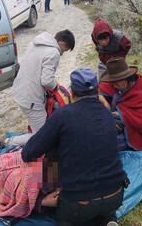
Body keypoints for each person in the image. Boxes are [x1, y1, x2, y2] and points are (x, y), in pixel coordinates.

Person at [22, 68, 127, 226]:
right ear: (97, 90)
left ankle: (52, 198)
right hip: (116, 195)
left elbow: (28, 153)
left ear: (71, 92)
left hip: (78, 204)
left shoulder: (62, 115)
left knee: (51, 155)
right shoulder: (107, 114)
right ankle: (108, 219)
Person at [6, 30, 75, 147]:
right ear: (62, 44)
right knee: (42, 136)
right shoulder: (54, 52)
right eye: (65, 50)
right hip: (31, 97)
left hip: (20, 89)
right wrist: (56, 86)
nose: (63, 53)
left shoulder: (38, 42)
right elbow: (47, 80)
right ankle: (8, 143)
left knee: (39, 126)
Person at [99, 58, 142, 151]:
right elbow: (101, 89)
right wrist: (103, 100)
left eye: (117, 81)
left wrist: (121, 115)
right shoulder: (113, 84)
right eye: (112, 81)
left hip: (133, 127)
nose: (114, 85)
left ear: (125, 78)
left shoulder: (138, 88)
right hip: (118, 118)